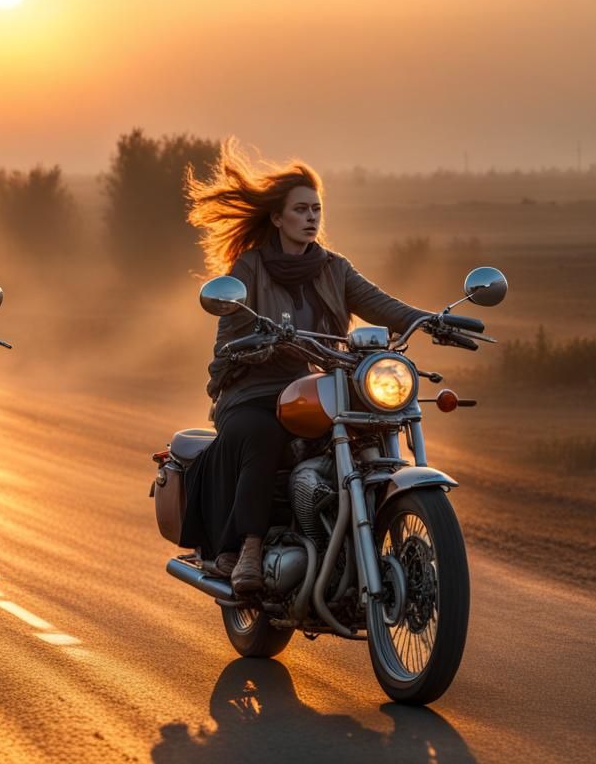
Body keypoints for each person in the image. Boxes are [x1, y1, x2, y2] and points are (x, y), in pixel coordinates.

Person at [180, 140, 429, 595]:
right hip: (252, 390)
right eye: (300, 209)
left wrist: (432, 319)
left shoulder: (334, 268)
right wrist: (256, 343)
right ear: (277, 217)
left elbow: (381, 304)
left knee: (370, 428)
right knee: (265, 434)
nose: (312, 217)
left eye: (317, 208)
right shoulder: (250, 268)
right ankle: (249, 548)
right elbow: (226, 342)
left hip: (316, 387)